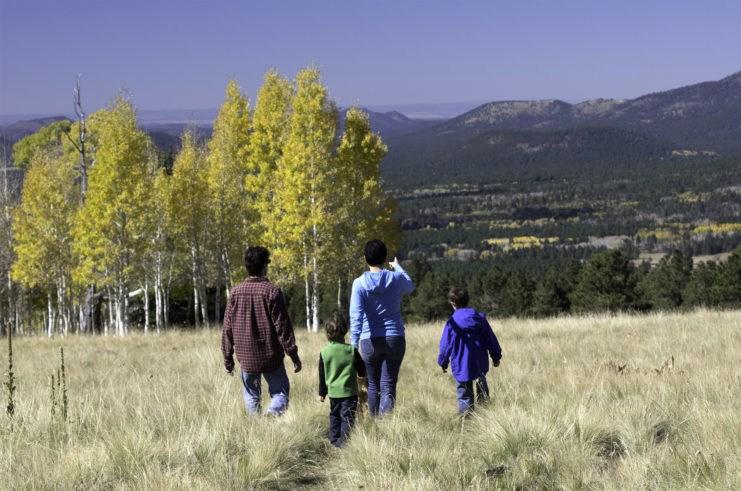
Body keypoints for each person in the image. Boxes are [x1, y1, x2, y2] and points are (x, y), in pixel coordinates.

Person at [221, 246, 302, 416]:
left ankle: (258, 429)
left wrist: (228, 359)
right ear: (265, 266)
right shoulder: (272, 292)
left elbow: (227, 328)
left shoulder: (235, 293)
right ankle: (271, 416)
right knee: (281, 393)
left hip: (246, 358)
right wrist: (293, 354)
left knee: (251, 396)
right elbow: (283, 327)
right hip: (270, 357)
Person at [350, 239, 414, 416]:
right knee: (388, 385)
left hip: (368, 339)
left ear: (365, 258)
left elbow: (356, 316)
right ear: (385, 258)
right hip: (395, 338)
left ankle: (374, 424)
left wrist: (353, 344)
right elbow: (410, 286)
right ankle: (385, 426)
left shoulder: (359, 283)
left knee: (372, 384)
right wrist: (398, 267)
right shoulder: (394, 278)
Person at [437, 287, 502, 414]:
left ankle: (467, 426)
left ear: (453, 303)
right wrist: (496, 356)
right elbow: (491, 339)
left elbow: (445, 346)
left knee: (464, 396)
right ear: (467, 300)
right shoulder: (480, 319)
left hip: (461, 365)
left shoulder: (451, 323)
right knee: (482, 393)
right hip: (480, 363)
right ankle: (486, 419)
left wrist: (443, 362)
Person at [318, 313, 367, 447]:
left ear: (328, 335)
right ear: (344, 331)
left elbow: (322, 375)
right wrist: (364, 379)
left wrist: (322, 392)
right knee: (347, 418)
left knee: (334, 415)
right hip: (349, 393)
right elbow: (362, 369)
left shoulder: (324, 352)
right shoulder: (351, 350)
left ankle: (334, 440)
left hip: (333, 393)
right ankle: (343, 444)